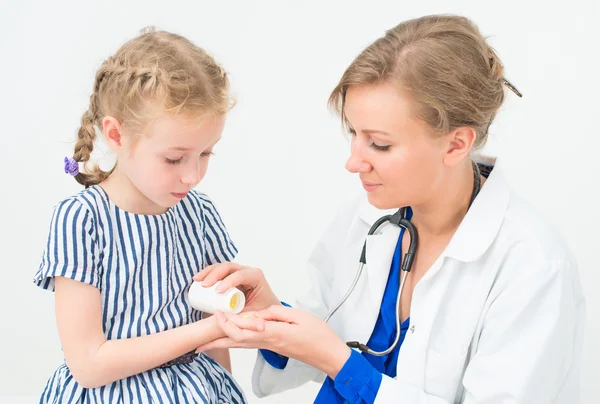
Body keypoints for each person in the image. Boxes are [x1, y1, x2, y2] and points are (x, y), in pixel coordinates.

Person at [194, 14, 586, 403]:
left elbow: (335, 357)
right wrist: (271, 314)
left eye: (379, 144)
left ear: (456, 144)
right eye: (353, 134)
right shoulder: (368, 220)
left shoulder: (531, 265)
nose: (353, 162)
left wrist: (341, 364)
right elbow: (322, 339)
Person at [33, 27, 262, 403]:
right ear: (117, 135)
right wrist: (205, 333)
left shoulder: (199, 213)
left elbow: (215, 332)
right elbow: (89, 365)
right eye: (174, 158)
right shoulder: (82, 221)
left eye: (206, 153)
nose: (193, 175)